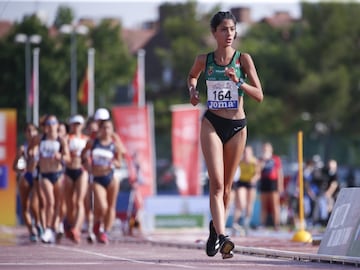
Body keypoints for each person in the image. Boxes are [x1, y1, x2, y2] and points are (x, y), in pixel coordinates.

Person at [187, 11, 263, 259]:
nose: (229, 34)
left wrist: (238, 81)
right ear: (214, 33)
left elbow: (259, 95)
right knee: (216, 184)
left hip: (237, 126)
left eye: (232, 29)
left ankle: (215, 229)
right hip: (212, 122)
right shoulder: (204, 60)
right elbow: (192, 77)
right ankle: (223, 236)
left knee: (227, 188)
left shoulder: (244, 60)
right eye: (223, 30)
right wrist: (193, 91)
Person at [28, 115, 70, 243]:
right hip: (45, 174)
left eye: (53, 122)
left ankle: (54, 227)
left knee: (59, 204)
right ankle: (47, 229)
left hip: (58, 174)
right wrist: (33, 153)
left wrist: (60, 156)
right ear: (45, 126)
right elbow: (30, 150)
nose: (51, 125)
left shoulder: (61, 140)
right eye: (48, 123)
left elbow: (68, 158)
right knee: (49, 202)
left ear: (57, 125)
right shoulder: (40, 139)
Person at [81, 118, 124, 244]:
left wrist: (113, 163)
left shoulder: (114, 146)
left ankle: (104, 231)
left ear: (112, 130)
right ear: (100, 130)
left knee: (111, 207)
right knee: (103, 207)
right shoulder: (92, 143)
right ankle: (97, 224)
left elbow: (119, 164)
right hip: (97, 178)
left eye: (109, 128)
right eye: (104, 128)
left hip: (111, 177)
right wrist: (87, 165)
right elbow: (83, 155)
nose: (106, 130)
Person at [12, 123, 42, 242]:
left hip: (37, 176)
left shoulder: (41, 146)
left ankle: (39, 224)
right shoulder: (22, 148)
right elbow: (14, 167)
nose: (31, 133)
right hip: (25, 176)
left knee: (35, 204)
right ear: (25, 133)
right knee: (25, 205)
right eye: (28, 131)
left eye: (33, 131)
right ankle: (31, 230)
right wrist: (21, 169)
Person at [63, 115, 89, 243]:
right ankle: (71, 225)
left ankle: (76, 229)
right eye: (74, 124)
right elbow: (65, 153)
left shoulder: (87, 139)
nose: (76, 126)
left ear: (82, 125)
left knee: (79, 201)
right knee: (69, 203)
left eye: (79, 124)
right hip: (69, 171)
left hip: (81, 171)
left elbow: (89, 155)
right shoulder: (67, 138)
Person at [232, 145, 260, 235]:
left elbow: (258, 174)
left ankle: (246, 223)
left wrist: (254, 179)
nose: (246, 155)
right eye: (245, 153)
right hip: (241, 182)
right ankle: (235, 223)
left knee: (249, 204)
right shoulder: (240, 162)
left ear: (251, 153)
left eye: (248, 153)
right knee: (241, 203)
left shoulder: (254, 162)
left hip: (251, 183)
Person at [258, 142, 284, 230]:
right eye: (264, 149)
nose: (266, 150)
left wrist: (280, 185)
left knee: (274, 204)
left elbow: (279, 172)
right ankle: (263, 224)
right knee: (264, 205)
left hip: (273, 182)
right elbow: (258, 170)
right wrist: (263, 161)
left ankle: (277, 224)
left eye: (267, 148)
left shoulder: (275, 159)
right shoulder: (261, 159)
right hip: (264, 182)